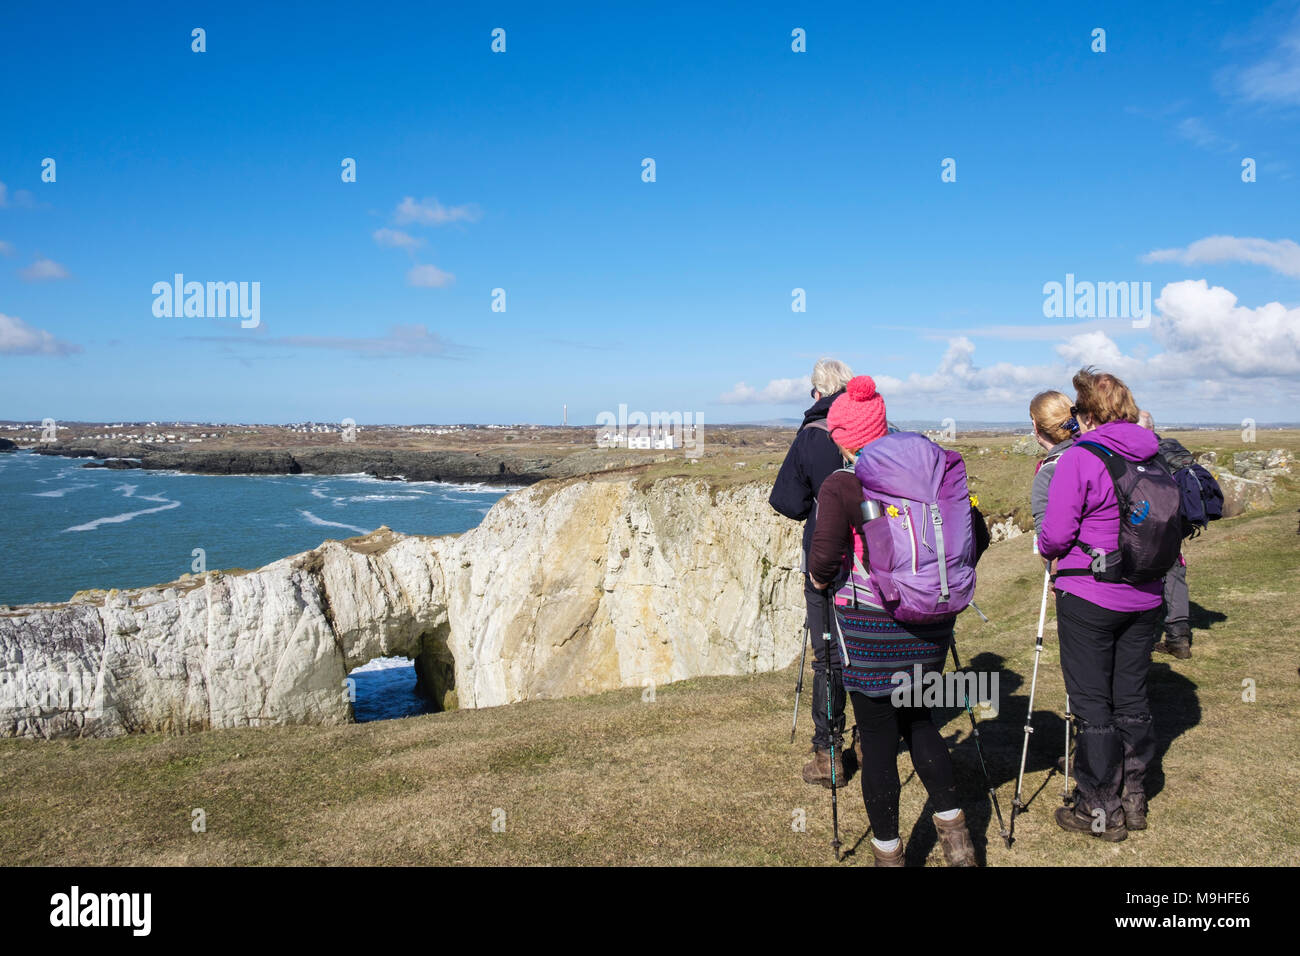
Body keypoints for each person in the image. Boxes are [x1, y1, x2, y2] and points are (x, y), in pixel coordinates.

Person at [808, 375, 977, 866]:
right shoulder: (933, 475)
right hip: (930, 624)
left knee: (878, 739)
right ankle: (958, 843)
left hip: (870, 627)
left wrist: (823, 583)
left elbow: (821, 562)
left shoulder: (844, 483)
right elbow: (974, 537)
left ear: (844, 437)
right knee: (921, 721)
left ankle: (888, 855)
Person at [1038, 368, 1166, 840]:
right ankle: (1134, 797)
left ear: (1088, 413)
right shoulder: (1154, 453)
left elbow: (1055, 534)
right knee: (1131, 695)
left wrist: (1050, 551)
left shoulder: (1082, 457)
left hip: (1090, 593)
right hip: (1145, 592)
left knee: (1093, 702)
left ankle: (1099, 808)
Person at [770, 358, 856, 786]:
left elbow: (786, 500)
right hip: (876, 558)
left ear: (818, 392)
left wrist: (817, 506)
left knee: (828, 655)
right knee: (873, 644)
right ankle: (885, 735)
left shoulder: (812, 434)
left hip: (828, 559)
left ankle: (829, 754)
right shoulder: (880, 428)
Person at [1138, 410, 1192, 660]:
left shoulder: (1139, 455)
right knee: (1174, 574)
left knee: (1139, 577)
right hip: (1172, 525)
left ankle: (1142, 640)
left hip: (1145, 528)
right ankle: (1179, 639)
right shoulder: (1168, 452)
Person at [1028, 390, 1080, 542]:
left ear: (1035, 426)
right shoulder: (1094, 453)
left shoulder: (1049, 472)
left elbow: (1049, 542)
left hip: (1078, 562)